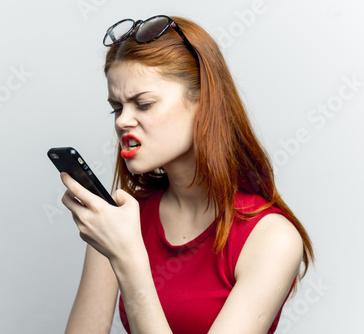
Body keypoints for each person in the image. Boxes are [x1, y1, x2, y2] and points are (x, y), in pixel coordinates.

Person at [60, 15, 314, 334]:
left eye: (144, 104)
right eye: (117, 107)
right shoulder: (122, 220)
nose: (123, 121)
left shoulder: (270, 238)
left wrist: (129, 260)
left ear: (203, 103)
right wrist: (116, 246)